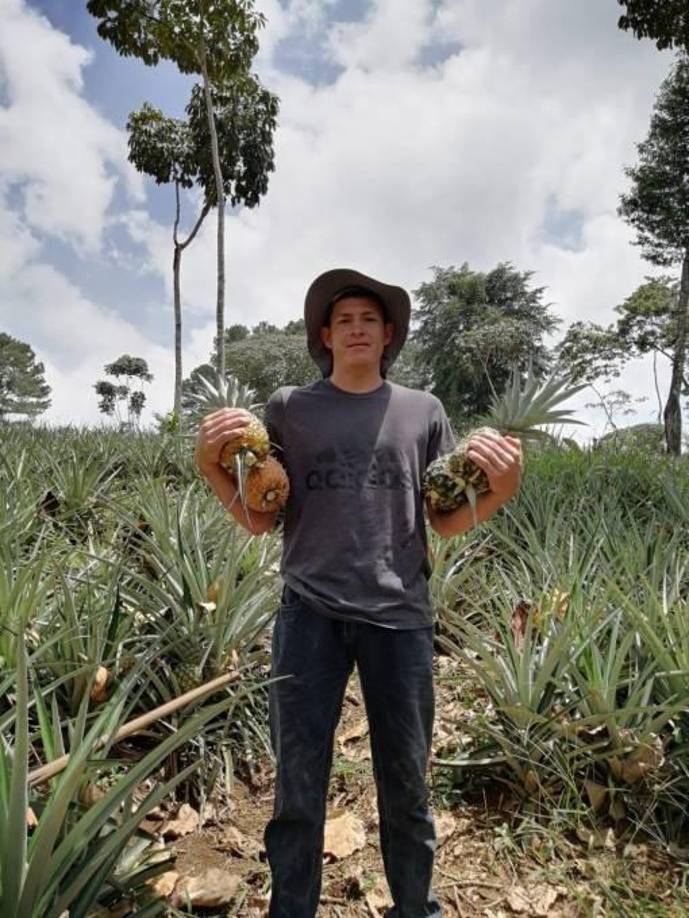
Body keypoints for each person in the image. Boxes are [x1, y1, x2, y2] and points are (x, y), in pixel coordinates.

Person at [194, 268, 523, 917]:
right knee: (297, 786)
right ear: (324, 336)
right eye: (343, 320)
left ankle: (415, 909)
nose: (356, 329)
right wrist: (210, 464)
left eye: (369, 319)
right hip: (308, 614)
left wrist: (501, 490)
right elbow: (261, 516)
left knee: (406, 786)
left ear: (389, 334)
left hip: (400, 617)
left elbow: (443, 519)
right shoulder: (289, 407)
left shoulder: (423, 410)